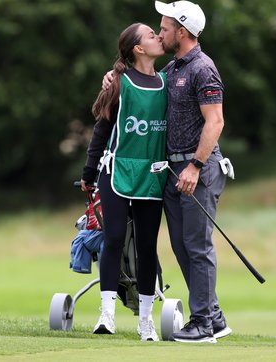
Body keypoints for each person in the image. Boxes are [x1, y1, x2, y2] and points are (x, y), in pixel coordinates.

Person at [102, 0, 231, 343]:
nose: (160, 33)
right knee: (181, 245)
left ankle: (203, 322)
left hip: (196, 168)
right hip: (173, 170)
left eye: (165, 28)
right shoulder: (173, 70)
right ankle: (214, 317)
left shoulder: (203, 68)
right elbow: (140, 83)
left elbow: (215, 121)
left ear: (182, 32)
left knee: (196, 245)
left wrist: (195, 165)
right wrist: (115, 75)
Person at [81, 22, 168, 341]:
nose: (158, 37)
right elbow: (101, 131)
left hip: (153, 173)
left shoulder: (167, 81)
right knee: (114, 238)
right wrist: (88, 174)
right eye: (150, 35)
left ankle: (146, 321)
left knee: (147, 246)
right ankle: (107, 314)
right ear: (138, 49)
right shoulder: (118, 82)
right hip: (115, 170)